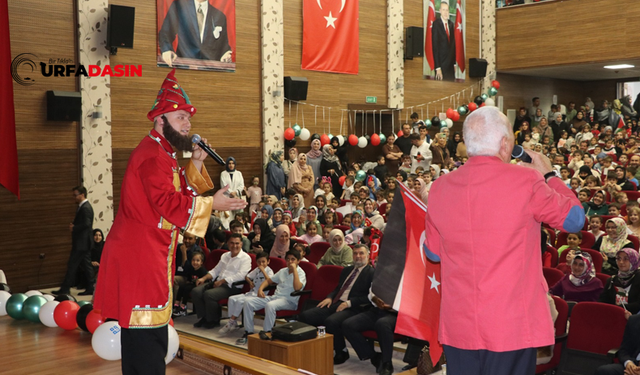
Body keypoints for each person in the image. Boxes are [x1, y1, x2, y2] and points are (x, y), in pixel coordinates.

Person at [93, 69, 247, 375]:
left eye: (188, 120)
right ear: (159, 119)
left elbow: (175, 193)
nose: (188, 125)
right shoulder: (153, 155)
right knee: (147, 337)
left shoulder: (162, 152)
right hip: (141, 254)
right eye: (181, 118)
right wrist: (210, 203)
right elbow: (165, 203)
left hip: (147, 251)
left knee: (145, 336)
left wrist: (197, 163)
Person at [423, 106, 584, 375]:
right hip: (510, 325)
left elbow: (434, 254)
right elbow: (575, 220)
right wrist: (550, 176)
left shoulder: (439, 188)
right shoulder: (527, 180)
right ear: (505, 143)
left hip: (459, 324)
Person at [299, 244, 375, 364]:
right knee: (306, 316)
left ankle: (341, 351)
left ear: (368, 256)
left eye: (361, 253)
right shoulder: (347, 270)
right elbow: (338, 289)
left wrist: (349, 303)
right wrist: (329, 297)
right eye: (355, 253)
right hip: (336, 302)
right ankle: (313, 348)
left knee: (331, 321)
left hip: (354, 308)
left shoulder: (372, 273)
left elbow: (370, 297)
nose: (358, 256)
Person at [237, 249, 306, 345]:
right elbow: (269, 281)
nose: (290, 262)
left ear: (298, 261)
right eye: (288, 259)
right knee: (248, 302)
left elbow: (297, 288)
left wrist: (294, 270)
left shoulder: (301, 273)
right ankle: (249, 332)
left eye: (293, 259)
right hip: (275, 297)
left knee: (270, 305)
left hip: (289, 301)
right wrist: (260, 289)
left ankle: (267, 333)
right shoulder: (283, 271)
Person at [191, 234, 251, 328]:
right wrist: (204, 278)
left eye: (237, 243)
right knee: (196, 291)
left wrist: (222, 281)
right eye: (231, 243)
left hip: (233, 286)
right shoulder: (225, 255)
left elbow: (241, 276)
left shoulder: (245, 258)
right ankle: (205, 316)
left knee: (209, 294)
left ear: (241, 244)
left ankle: (213, 320)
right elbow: (216, 270)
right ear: (228, 243)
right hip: (218, 282)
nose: (234, 246)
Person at [158, 0, 232, 65]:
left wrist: (225, 54)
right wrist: (167, 50)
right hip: (183, 66)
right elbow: (165, 33)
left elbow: (223, 46)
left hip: (210, 70)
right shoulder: (179, 7)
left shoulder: (220, 16)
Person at [218, 251, 274, 334]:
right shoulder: (256, 270)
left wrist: (263, 271)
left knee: (240, 301)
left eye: (263, 262)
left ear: (268, 262)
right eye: (259, 262)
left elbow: (270, 281)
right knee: (232, 298)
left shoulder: (269, 271)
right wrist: (250, 282)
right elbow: (247, 276)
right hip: (251, 293)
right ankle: (234, 323)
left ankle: (231, 321)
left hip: (260, 296)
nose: (261, 264)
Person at [53, 186, 95, 296]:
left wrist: (74, 228)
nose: (74, 197)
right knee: (86, 266)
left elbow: (87, 224)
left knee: (72, 265)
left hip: (82, 243)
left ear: (82, 195)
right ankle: (91, 287)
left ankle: (65, 289)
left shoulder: (85, 208)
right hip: (83, 243)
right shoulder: (83, 207)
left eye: (75, 195)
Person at [342, 294, 398, 375]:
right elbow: (371, 293)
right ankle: (374, 357)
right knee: (348, 325)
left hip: (396, 313)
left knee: (382, 324)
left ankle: (387, 363)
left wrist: (392, 306)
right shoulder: (381, 280)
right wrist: (375, 299)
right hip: (377, 310)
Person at [598, 248, 640, 316]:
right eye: (619, 259)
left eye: (626, 259)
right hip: (613, 315)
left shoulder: (638, 278)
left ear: (634, 260)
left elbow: (638, 304)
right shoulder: (612, 279)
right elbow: (602, 300)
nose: (621, 262)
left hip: (634, 319)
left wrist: (618, 308)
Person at [172, 250, 207, 317]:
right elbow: (189, 278)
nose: (195, 262)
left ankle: (183, 307)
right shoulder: (191, 269)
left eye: (197, 260)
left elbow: (204, 281)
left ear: (201, 262)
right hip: (192, 283)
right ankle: (177, 304)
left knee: (187, 289)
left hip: (199, 286)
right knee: (182, 286)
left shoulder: (202, 270)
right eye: (193, 260)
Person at [431, 0, 456, 81]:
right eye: (444, 10)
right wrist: (437, 68)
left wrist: (454, 64)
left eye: (447, 10)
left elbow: (453, 45)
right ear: (440, 11)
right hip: (441, 65)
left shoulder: (451, 24)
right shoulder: (436, 24)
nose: (446, 12)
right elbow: (435, 47)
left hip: (450, 65)